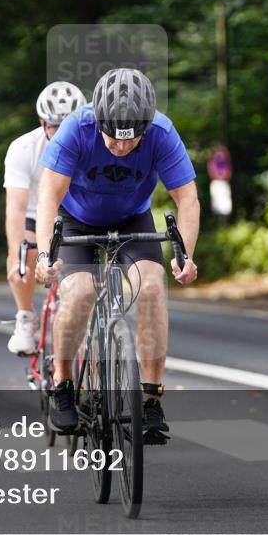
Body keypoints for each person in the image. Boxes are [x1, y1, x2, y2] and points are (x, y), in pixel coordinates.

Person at [34, 68, 200, 443]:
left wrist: (184, 253)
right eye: (113, 139)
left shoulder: (161, 132)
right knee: (80, 294)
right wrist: (45, 254)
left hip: (131, 218)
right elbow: (48, 195)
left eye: (131, 140)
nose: (122, 147)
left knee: (154, 288)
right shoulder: (76, 128)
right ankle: (63, 382)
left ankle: (151, 397)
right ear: (98, 120)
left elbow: (186, 197)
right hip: (77, 219)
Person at [3, 82, 87, 355]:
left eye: (69, 125)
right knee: (24, 254)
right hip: (34, 212)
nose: (62, 133)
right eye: (54, 126)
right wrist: (17, 254)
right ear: (42, 123)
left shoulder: (91, 143)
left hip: (75, 213)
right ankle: (26, 317)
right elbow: (16, 208)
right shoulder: (23, 148)